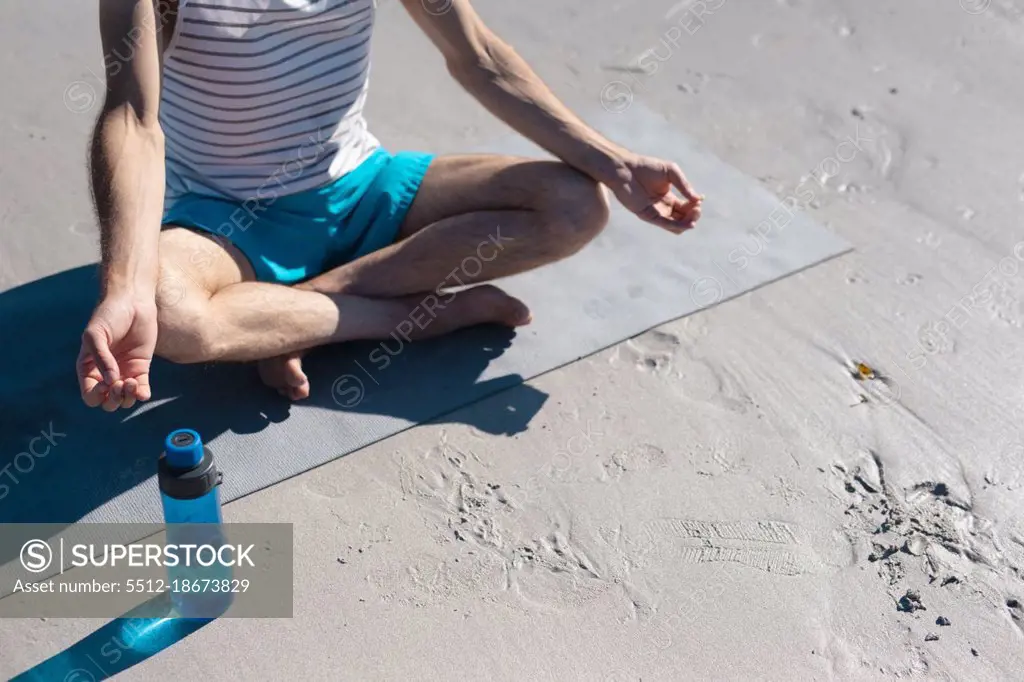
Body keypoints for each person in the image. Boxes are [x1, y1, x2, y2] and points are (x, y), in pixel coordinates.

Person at [77, 0, 703, 411]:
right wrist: (124, 285)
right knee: (170, 315)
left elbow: (478, 57)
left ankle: (300, 317)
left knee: (573, 204)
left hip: (366, 186)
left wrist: (614, 163)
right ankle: (409, 317)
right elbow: (133, 118)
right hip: (229, 224)